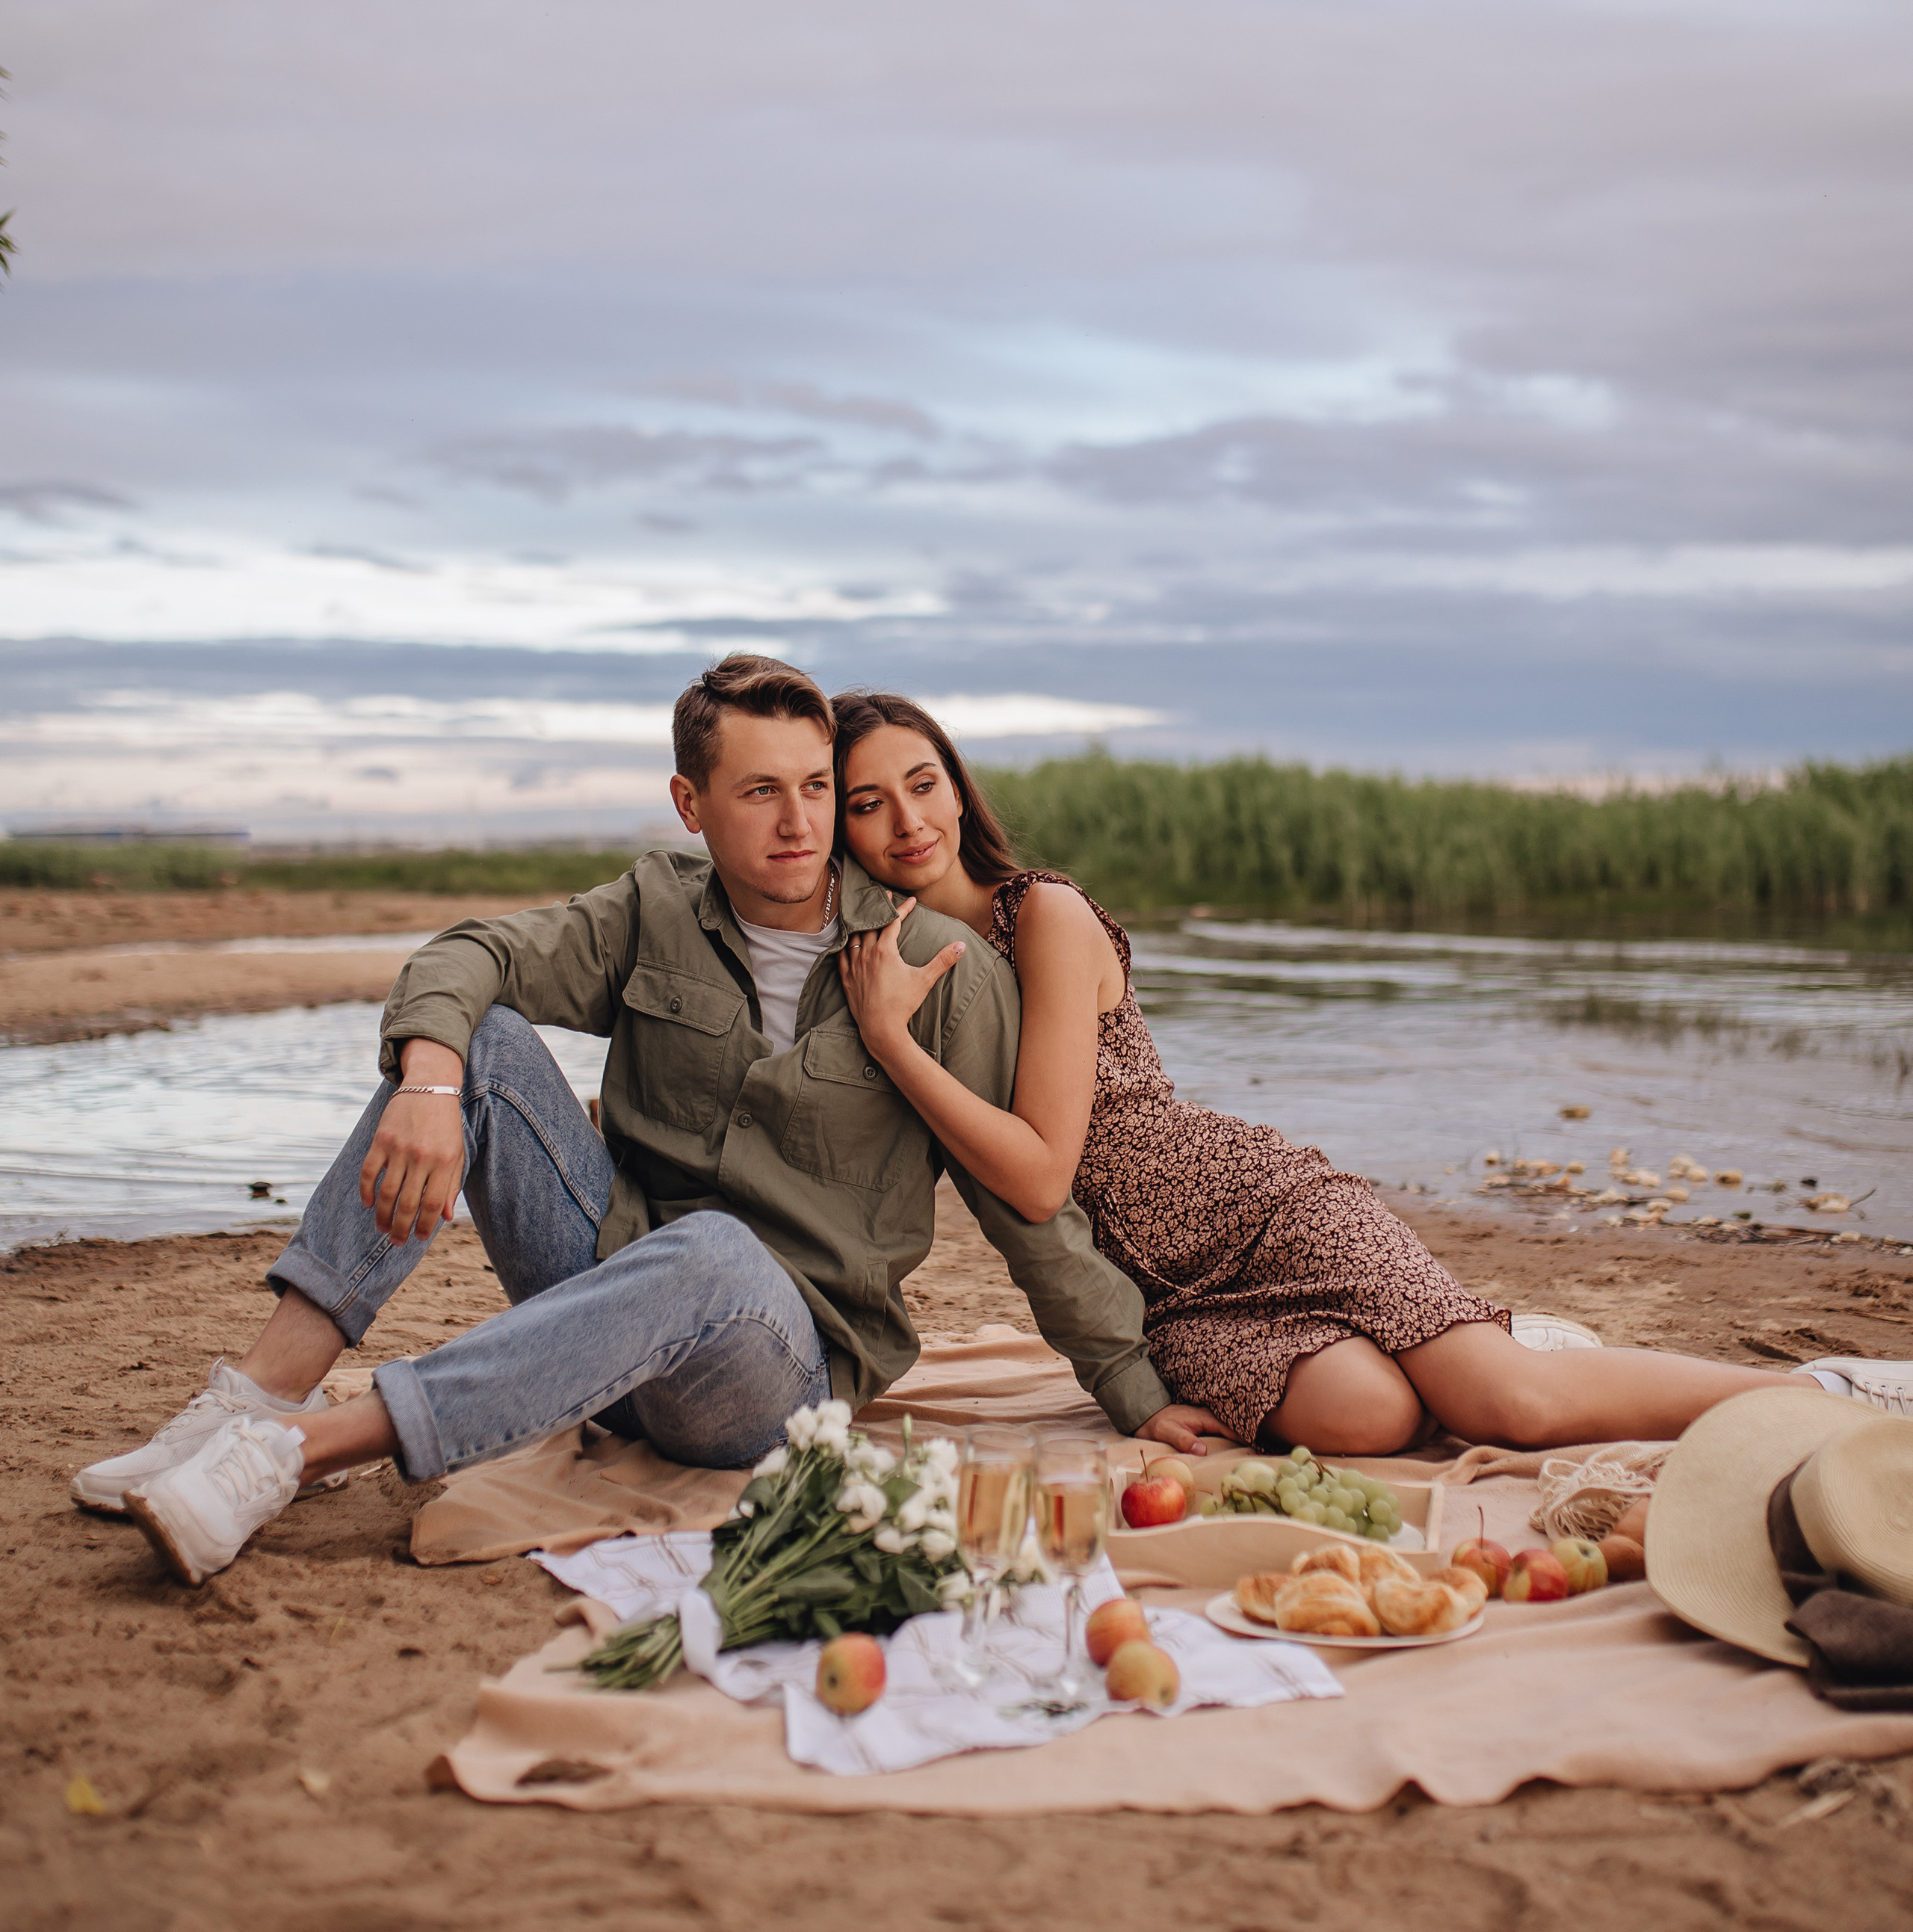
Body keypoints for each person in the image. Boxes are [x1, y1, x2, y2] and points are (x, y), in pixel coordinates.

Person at [75, 654, 1179, 1586]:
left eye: (813, 787)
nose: (799, 825)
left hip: (771, 1374)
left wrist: (1133, 1387)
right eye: (758, 794)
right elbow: (472, 955)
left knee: (713, 1252)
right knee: (485, 1046)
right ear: (692, 804)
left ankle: (290, 1455)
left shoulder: (942, 972)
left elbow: (1026, 1207)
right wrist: (425, 1085)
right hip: (599, 1276)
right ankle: (253, 1398)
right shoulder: (652, 909)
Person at [832, 690, 1913, 1456]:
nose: (908, 819)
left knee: (1511, 1407)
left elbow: (1034, 1174)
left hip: (1247, 1211)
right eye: (868, 802)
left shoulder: (1045, 917)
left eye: (922, 783)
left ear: (960, 789)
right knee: (1373, 1423)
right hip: (1161, 1292)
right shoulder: (899, 964)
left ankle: (1817, 1392)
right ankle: (1470, 1336)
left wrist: (890, 1045)